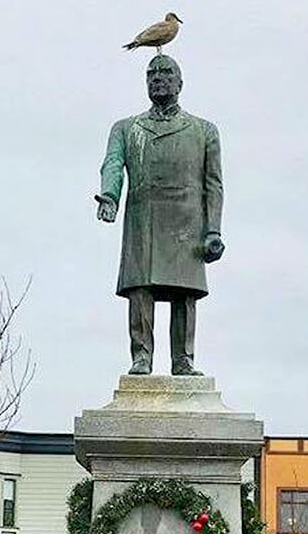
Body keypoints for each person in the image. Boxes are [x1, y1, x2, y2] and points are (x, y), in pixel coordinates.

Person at [96, 55, 225, 376]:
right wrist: (109, 195)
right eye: (151, 74)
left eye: (166, 73)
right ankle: (141, 356)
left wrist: (213, 230)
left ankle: (183, 359)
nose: (158, 78)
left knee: (184, 292)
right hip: (144, 218)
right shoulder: (126, 128)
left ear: (180, 83)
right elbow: (113, 164)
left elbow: (214, 184)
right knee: (141, 289)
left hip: (187, 222)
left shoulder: (204, 130)